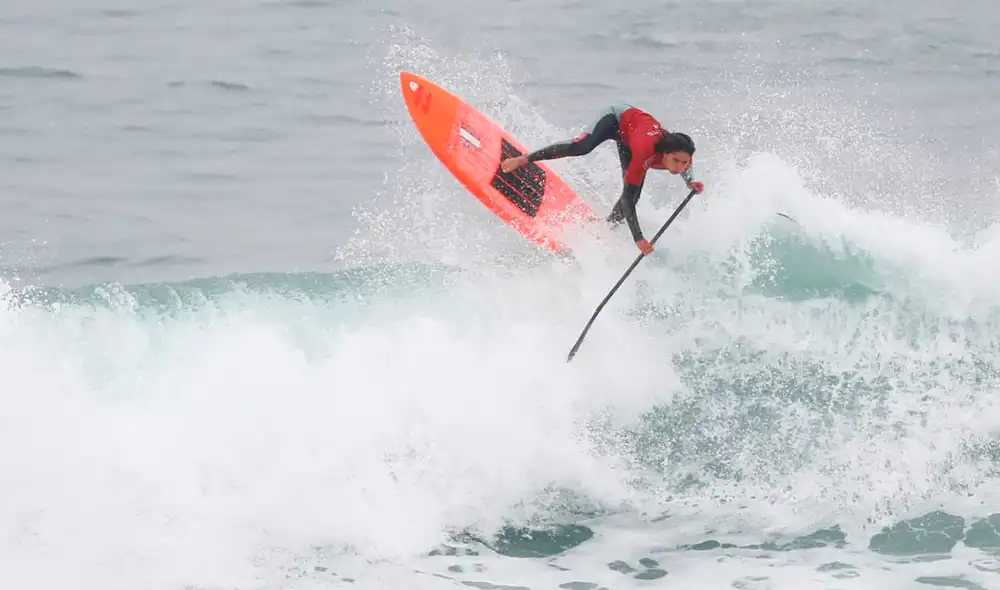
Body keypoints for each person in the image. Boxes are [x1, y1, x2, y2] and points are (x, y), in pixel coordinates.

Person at [500, 104, 704, 255]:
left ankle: (606, 227)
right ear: (665, 153)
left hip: (631, 137)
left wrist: (689, 181)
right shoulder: (645, 152)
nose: (680, 166)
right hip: (616, 119)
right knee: (581, 148)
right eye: (676, 161)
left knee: (634, 195)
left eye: (684, 163)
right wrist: (639, 238)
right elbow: (627, 202)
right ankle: (523, 159)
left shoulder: (684, 152)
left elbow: (687, 165)